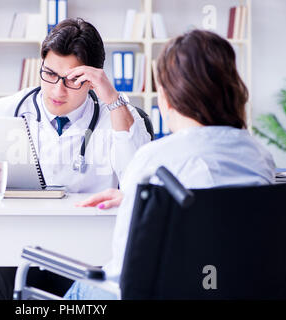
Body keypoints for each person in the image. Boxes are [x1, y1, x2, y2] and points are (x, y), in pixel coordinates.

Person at [0, 18, 152, 299]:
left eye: (73, 80)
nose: (58, 91)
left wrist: (113, 98)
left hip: (88, 254)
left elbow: (141, 182)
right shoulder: (8, 109)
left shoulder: (117, 115)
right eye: (50, 74)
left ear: (93, 79)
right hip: (13, 248)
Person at [68, 29, 276, 299]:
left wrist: (141, 195)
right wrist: (139, 198)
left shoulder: (153, 161)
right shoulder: (259, 157)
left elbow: (126, 269)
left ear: (166, 97)